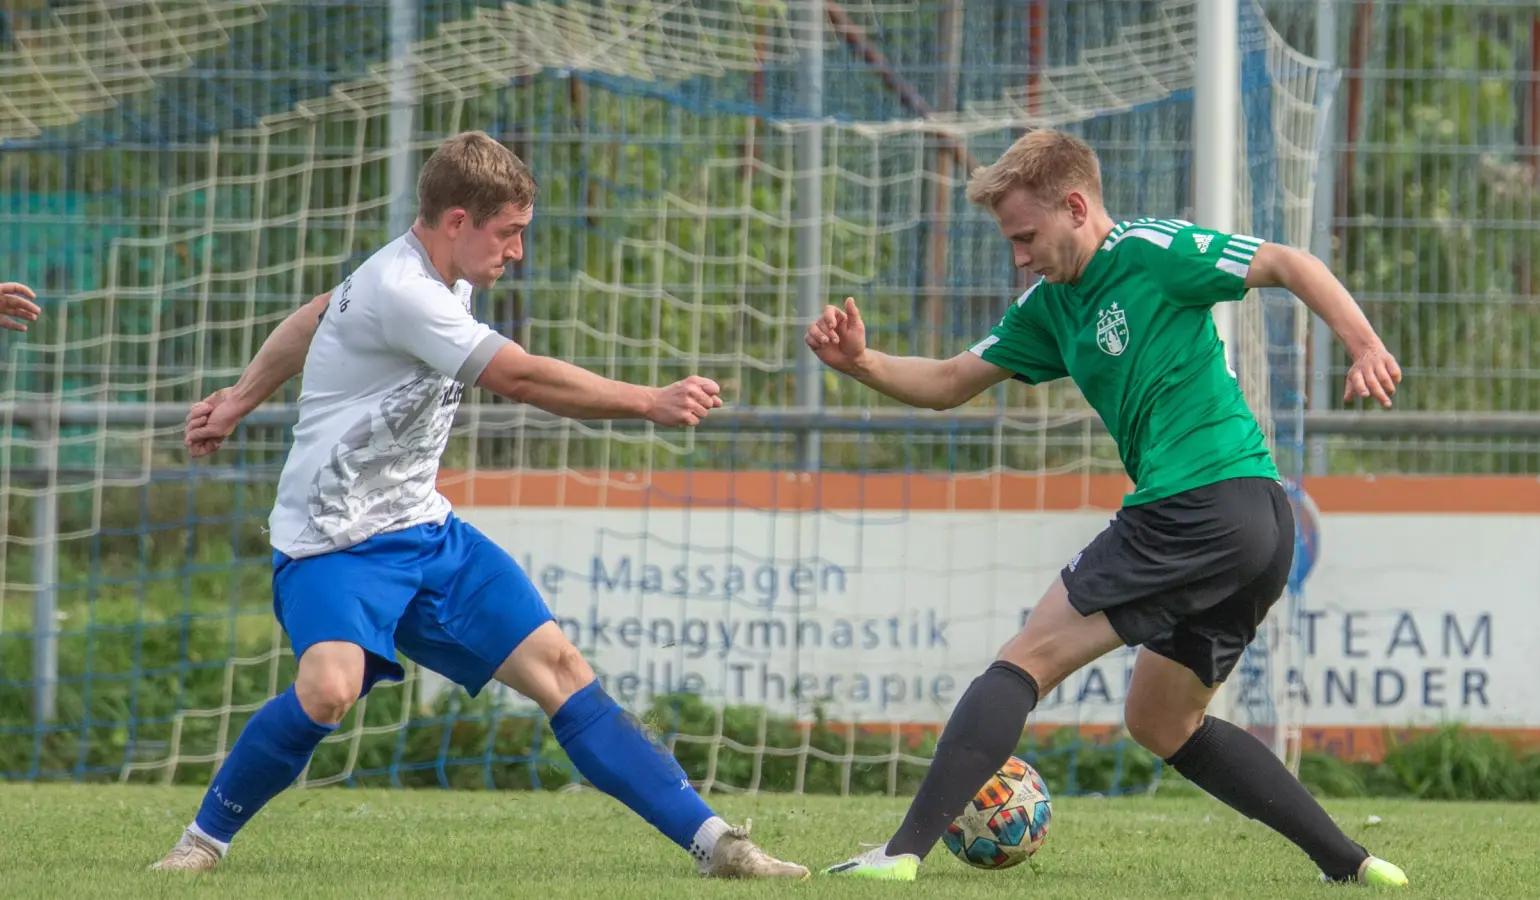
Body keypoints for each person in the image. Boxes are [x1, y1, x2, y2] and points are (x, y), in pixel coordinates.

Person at [153, 131, 808, 881]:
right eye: (509, 232)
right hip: (334, 544)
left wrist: (240, 398)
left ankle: (719, 847)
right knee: (329, 690)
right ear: (458, 221)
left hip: (426, 533)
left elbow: (317, 313)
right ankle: (201, 842)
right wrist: (648, 401)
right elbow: (522, 379)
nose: (517, 252)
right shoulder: (405, 290)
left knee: (561, 669)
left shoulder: (432, 274)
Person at [807, 129, 1408, 887]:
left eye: (1026, 236)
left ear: (1075, 206)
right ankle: (1353, 866)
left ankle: (898, 855)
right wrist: (862, 362)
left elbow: (1289, 262)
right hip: (1256, 524)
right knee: (1161, 721)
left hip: (1198, 504)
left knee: (1026, 658)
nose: (1019, 257)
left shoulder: (1151, 251)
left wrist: (1364, 344)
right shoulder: (1050, 306)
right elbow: (952, 381)